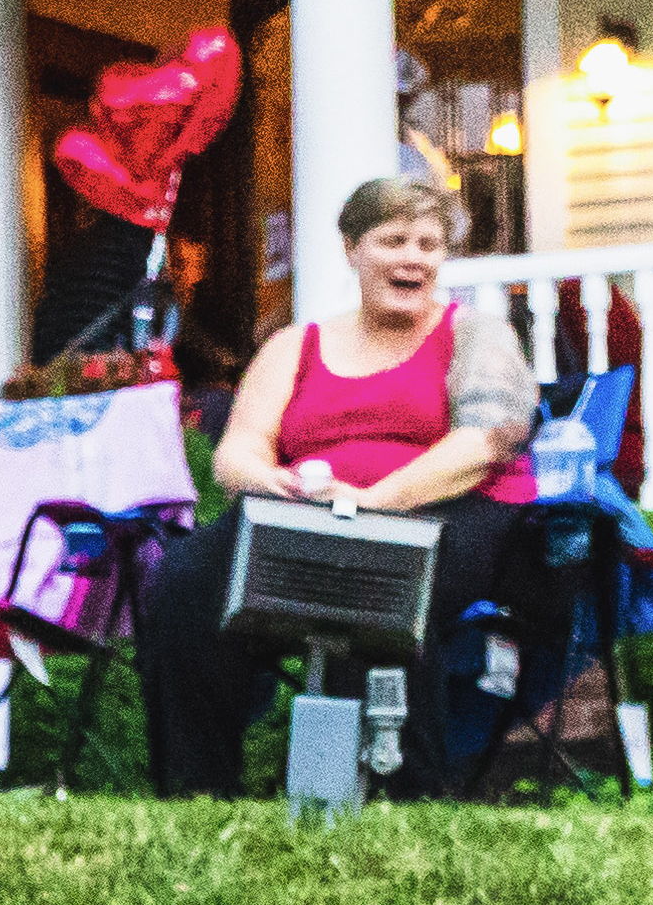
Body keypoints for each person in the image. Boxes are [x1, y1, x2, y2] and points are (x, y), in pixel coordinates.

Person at [128, 174, 549, 802]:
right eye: (393, 240)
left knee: (369, 576)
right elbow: (237, 453)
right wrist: (275, 483)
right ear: (351, 249)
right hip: (311, 512)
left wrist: (375, 502)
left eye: (428, 244)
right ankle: (196, 795)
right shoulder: (295, 345)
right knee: (185, 583)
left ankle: (404, 793)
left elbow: (485, 442)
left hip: (453, 510)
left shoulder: (476, 335)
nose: (413, 258)